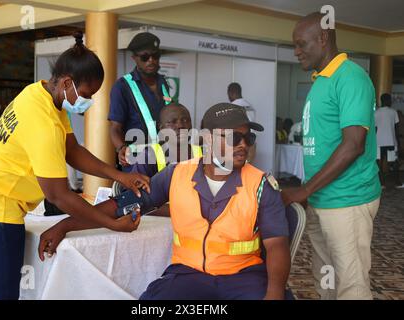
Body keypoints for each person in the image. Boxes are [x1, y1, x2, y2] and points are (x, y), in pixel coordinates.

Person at [0, 32, 149, 300]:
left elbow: (72, 150)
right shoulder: (42, 122)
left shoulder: (41, 94)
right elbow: (58, 195)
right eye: (86, 94)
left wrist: (119, 176)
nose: (88, 102)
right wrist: (110, 224)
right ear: (67, 82)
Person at [39, 103, 294, 300]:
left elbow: (277, 246)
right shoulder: (176, 174)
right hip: (188, 275)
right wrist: (65, 225)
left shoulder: (262, 184)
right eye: (232, 138)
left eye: (248, 138)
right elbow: (118, 206)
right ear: (207, 139)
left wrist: (274, 294)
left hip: (245, 277)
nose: (243, 145)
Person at [282, 13, 381, 300]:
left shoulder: (350, 77)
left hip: (347, 201)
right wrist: (311, 192)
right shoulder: (321, 80)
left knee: (351, 286)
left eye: (301, 44)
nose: (296, 51)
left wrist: (305, 189)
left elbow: (354, 144)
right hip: (322, 199)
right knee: (326, 279)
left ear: (323, 38)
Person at [108, 32, 171, 172]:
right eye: (145, 57)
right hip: (137, 161)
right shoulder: (122, 86)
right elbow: (115, 127)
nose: (151, 61)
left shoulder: (163, 83)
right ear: (134, 58)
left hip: (165, 158)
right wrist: (121, 148)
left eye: (155, 56)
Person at [130, 102, 201, 178]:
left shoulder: (201, 153)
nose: (180, 125)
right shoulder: (149, 156)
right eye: (173, 122)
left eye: (185, 120)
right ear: (162, 129)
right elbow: (135, 187)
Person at [375, 93, 403, 188]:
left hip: (378, 142)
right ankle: (398, 183)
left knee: (379, 163)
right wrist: (398, 143)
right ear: (388, 101)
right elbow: (396, 128)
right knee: (394, 162)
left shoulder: (376, 113)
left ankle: (382, 183)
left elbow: (374, 130)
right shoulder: (393, 112)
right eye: (390, 100)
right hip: (391, 141)